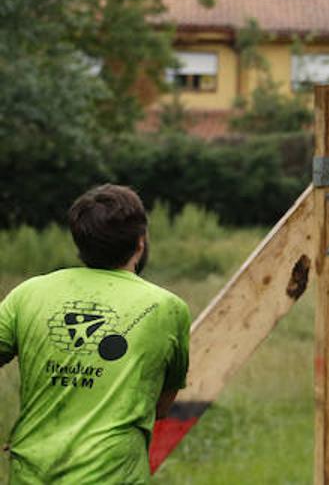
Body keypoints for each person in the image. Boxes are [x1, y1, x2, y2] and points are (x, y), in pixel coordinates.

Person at [0, 185, 190, 484]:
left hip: (32, 475)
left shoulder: (28, 294)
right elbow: (162, 406)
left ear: (80, 241)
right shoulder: (167, 308)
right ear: (140, 242)